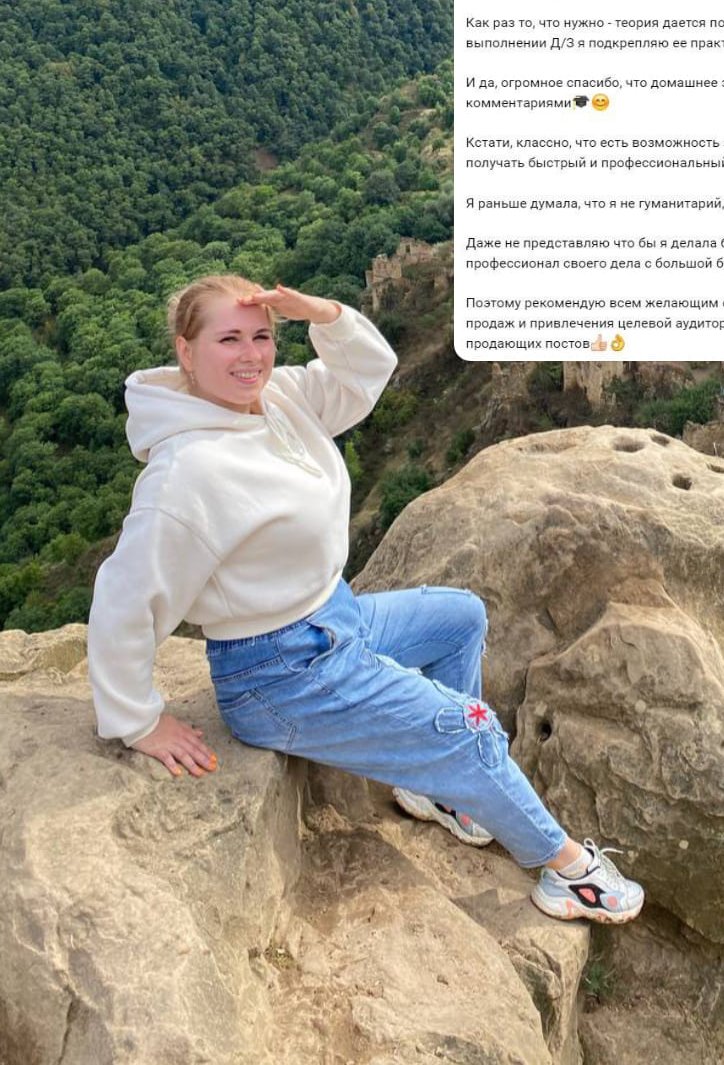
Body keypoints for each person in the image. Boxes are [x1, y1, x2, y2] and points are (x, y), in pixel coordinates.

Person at [87, 274, 643, 925]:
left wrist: (323, 314)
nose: (251, 354)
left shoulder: (279, 399)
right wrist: (137, 719)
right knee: (469, 729)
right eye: (228, 339)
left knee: (461, 617)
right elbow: (125, 597)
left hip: (335, 616)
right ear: (186, 352)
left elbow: (366, 373)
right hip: (279, 673)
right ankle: (570, 872)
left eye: (262, 335)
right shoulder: (187, 472)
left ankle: (438, 790)